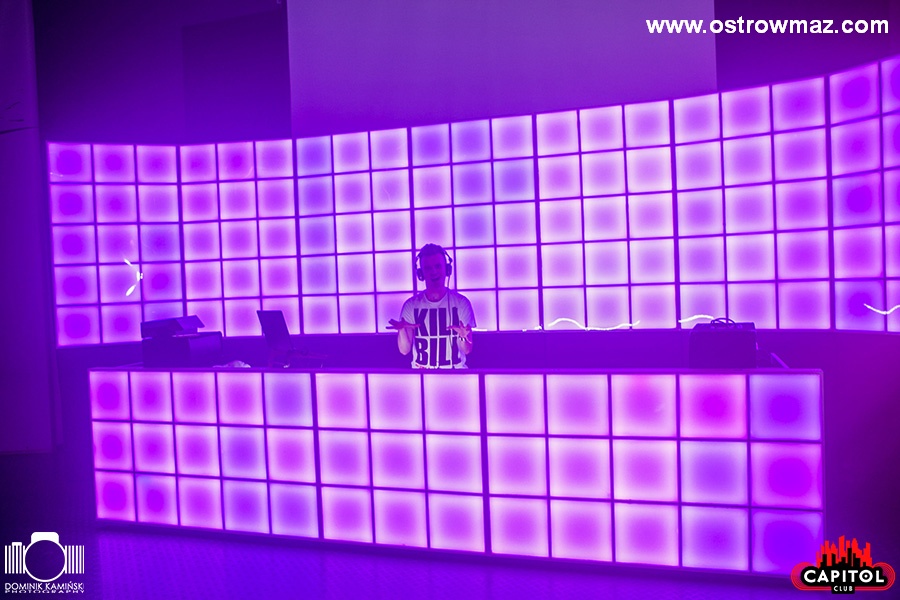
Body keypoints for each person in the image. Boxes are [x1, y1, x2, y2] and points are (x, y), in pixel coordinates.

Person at [388, 244, 476, 368]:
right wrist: (402, 330)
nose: (434, 272)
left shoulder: (462, 303)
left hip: (456, 375)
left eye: (438, 266)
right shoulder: (411, 305)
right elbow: (404, 350)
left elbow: (467, 350)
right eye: (428, 268)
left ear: (447, 269)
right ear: (421, 273)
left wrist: (463, 337)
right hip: (422, 375)